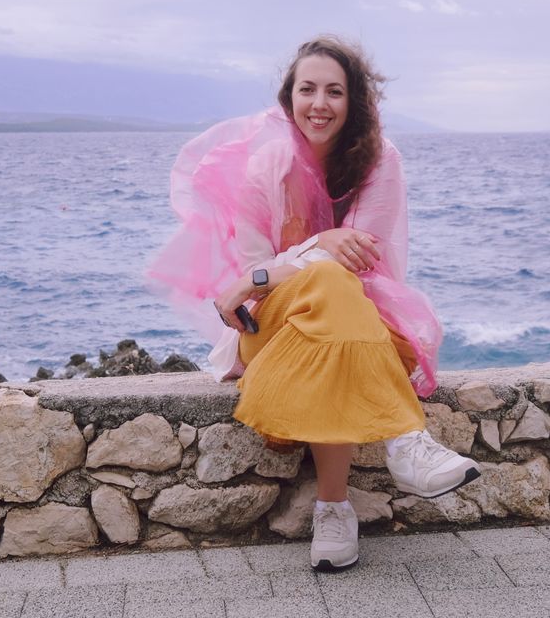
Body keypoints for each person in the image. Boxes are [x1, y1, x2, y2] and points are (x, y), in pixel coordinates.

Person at [149, 35, 479, 571]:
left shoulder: (379, 160)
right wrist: (314, 247)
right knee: (328, 281)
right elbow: (262, 278)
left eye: (334, 91)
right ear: (289, 98)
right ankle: (404, 443)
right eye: (307, 90)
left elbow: (360, 260)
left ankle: (334, 512)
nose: (319, 104)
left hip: (357, 321)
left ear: (355, 101)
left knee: (336, 294)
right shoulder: (265, 166)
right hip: (272, 328)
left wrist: (268, 272)